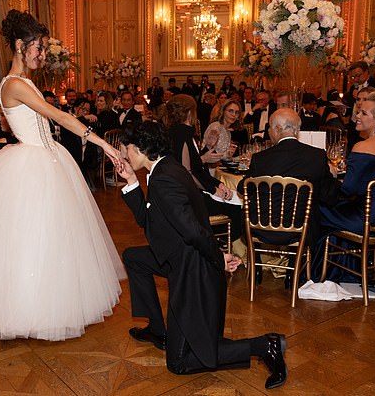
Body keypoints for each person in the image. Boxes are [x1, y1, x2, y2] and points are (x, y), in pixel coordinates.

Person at [0, 9, 126, 341]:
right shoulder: (14, 84)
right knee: (31, 241)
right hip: (32, 168)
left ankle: (55, 305)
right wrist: (105, 145)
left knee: (55, 240)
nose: (43, 55)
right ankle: (29, 312)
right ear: (21, 45)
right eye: (39, 48)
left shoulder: (26, 82)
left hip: (48, 161)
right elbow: (57, 116)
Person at [117, 121, 287, 389]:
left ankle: (266, 345)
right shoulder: (165, 167)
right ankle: (158, 330)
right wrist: (130, 181)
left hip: (194, 271)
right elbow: (149, 220)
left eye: (126, 148)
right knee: (134, 257)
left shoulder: (163, 179)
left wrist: (218, 258)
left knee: (180, 363)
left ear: (140, 148)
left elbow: (194, 231)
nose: (124, 154)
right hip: (179, 259)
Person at [237, 109, 340, 284]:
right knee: (311, 211)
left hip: (261, 228)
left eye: (269, 127)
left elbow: (242, 188)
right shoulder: (316, 156)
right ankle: (294, 270)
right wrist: (334, 177)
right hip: (304, 231)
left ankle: (258, 267)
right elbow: (328, 195)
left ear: (277, 129)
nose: (269, 131)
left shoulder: (260, 159)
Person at [320, 92, 375, 236]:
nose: (357, 116)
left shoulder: (363, 146)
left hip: (367, 221)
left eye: (363, 113)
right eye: (358, 112)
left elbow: (347, 190)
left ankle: (326, 258)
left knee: (314, 206)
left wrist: (332, 176)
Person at [167, 94, 242, 240]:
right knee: (238, 208)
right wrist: (213, 189)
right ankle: (223, 246)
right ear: (190, 113)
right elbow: (186, 173)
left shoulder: (182, 132)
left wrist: (218, 183)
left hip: (195, 189)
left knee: (235, 199)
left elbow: (195, 165)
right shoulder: (182, 134)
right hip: (191, 197)